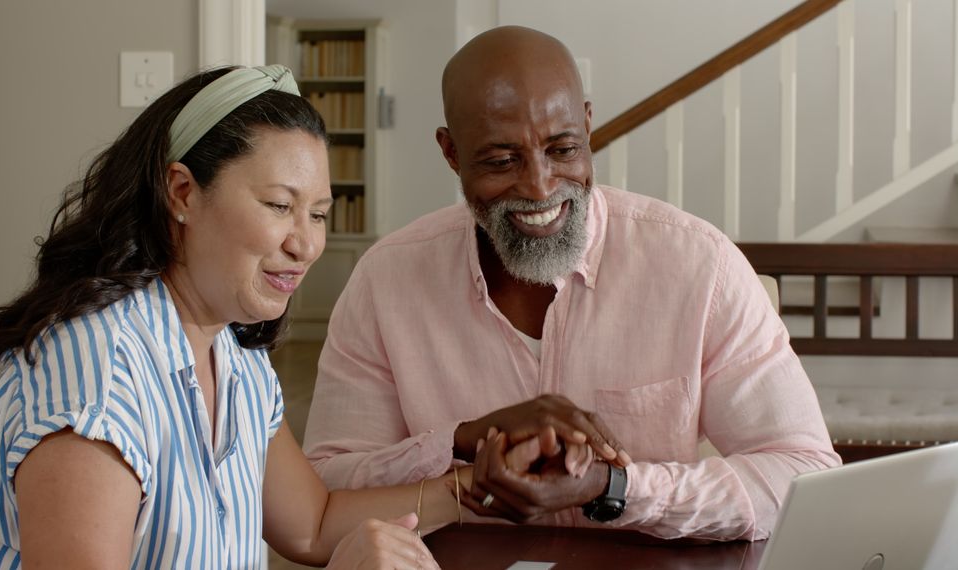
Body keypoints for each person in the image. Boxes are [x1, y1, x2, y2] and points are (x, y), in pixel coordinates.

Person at [302, 26, 841, 541]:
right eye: (501, 160)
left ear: (587, 125)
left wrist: (615, 487)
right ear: (451, 153)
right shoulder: (386, 281)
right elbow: (325, 488)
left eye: (562, 150)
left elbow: (804, 474)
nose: (540, 188)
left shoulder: (700, 266)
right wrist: (460, 441)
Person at [0, 65, 467, 569]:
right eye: (279, 206)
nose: (305, 245)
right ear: (182, 192)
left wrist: (473, 490)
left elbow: (313, 524)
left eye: (319, 214)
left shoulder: (234, 356)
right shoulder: (97, 384)